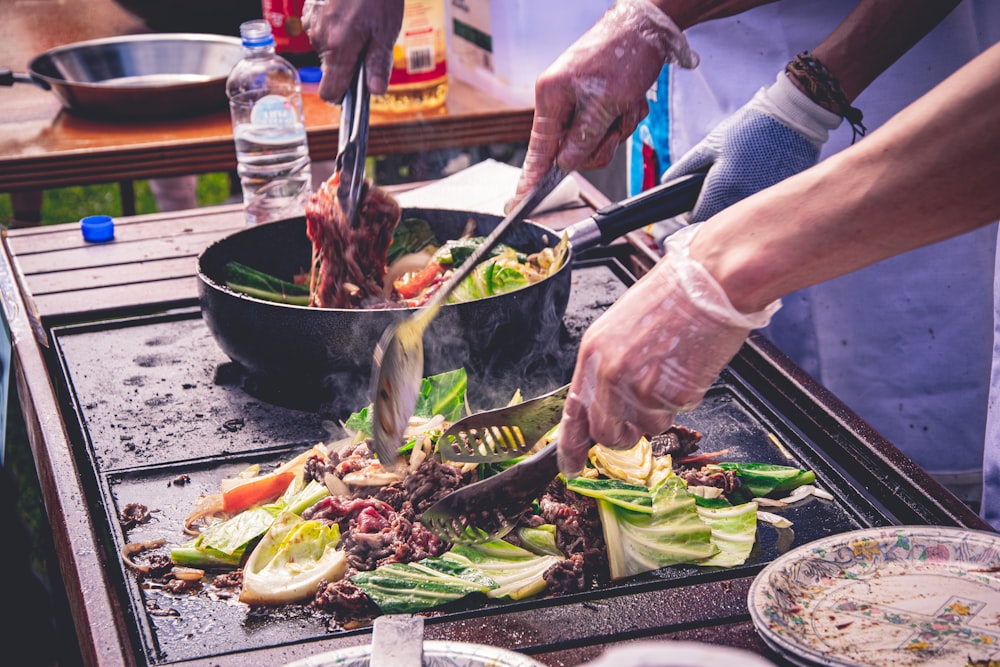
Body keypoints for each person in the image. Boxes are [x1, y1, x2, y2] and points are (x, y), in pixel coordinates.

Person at [514, 0, 1000, 504]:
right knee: (767, 424)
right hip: (738, 100)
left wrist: (727, 267)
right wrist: (804, 94)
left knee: (897, 492)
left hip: (915, 133)